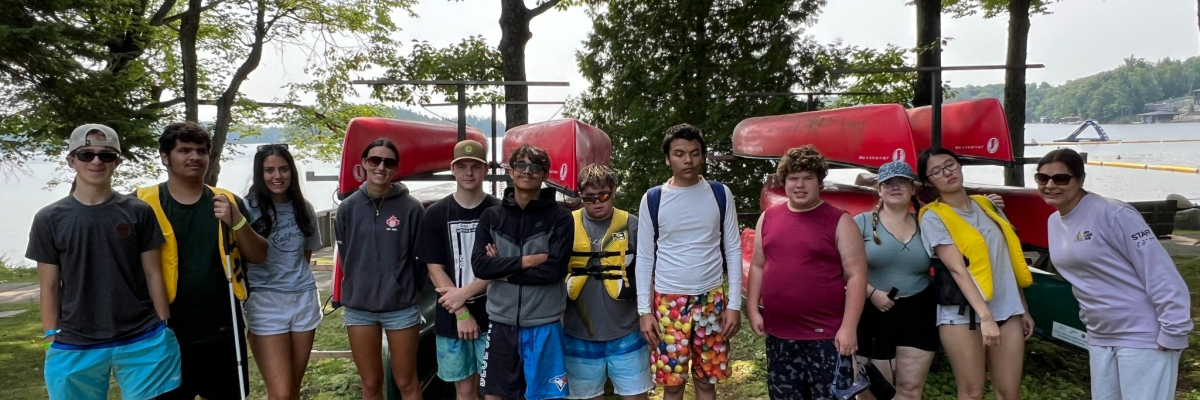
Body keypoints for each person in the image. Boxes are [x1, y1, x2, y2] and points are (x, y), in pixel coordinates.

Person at [28, 124, 182, 400]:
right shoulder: (49, 219)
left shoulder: (139, 211)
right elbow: (49, 286)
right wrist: (51, 335)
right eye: (86, 154)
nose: (96, 161)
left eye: (106, 155)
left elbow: (153, 273)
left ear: (117, 162)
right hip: (74, 341)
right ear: (72, 160)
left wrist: (164, 324)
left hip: (143, 336)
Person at [1037, 148, 1192, 400]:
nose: (1050, 185)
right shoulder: (1055, 222)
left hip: (1143, 333)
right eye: (1043, 179)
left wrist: (1174, 329)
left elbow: (1158, 270)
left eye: (1061, 179)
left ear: (1080, 180)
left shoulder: (1114, 213)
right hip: (1100, 334)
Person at [138, 121, 269, 400]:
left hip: (222, 330)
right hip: (164, 331)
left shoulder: (228, 201)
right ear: (165, 157)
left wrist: (238, 221)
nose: (194, 157)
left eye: (201, 150)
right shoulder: (141, 204)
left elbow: (258, 255)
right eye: (184, 150)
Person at [745, 145, 868, 400]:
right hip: (779, 335)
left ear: (819, 182)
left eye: (807, 178)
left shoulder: (839, 221)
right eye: (793, 178)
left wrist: (849, 327)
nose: (800, 185)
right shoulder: (768, 218)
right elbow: (757, 264)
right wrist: (753, 309)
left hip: (826, 337)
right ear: (784, 182)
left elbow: (856, 275)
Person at [916, 147, 1033, 400]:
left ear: (959, 165)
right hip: (962, 314)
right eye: (936, 171)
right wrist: (986, 317)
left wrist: (1022, 307)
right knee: (971, 392)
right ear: (928, 182)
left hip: (1007, 309)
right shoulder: (933, 217)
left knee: (1009, 392)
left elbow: (1008, 260)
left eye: (950, 165)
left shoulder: (987, 204)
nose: (947, 173)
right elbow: (958, 269)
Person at [636, 123, 742, 400]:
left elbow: (733, 248)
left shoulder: (720, 194)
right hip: (668, 303)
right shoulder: (653, 199)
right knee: (672, 384)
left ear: (703, 156)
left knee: (708, 381)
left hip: (712, 301)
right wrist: (644, 311)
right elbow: (645, 257)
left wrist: (734, 305)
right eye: (680, 153)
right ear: (667, 158)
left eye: (694, 153)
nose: (688, 160)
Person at [472, 144, 574, 400]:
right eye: (521, 165)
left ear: (545, 174)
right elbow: (481, 266)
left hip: (545, 323)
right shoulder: (491, 216)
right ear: (511, 171)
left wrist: (502, 270)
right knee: (495, 396)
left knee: (547, 396)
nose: (528, 171)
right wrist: (527, 261)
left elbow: (553, 271)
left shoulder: (560, 218)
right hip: (501, 322)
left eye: (536, 166)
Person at [334, 138, 426, 400]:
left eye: (388, 162)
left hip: (400, 307)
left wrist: (402, 287)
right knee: (371, 383)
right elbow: (346, 254)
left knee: (406, 381)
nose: (381, 167)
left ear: (396, 168)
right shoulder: (348, 208)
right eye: (375, 160)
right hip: (359, 308)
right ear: (364, 163)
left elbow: (418, 260)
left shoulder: (412, 209)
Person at [415, 140, 501, 400]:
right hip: (452, 317)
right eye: (461, 166)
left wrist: (465, 294)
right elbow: (434, 267)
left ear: (485, 169)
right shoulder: (436, 213)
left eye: (475, 166)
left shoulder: (499, 211)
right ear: (453, 170)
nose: (469, 173)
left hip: (494, 315)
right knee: (464, 389)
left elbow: (502, 267)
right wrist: (462, 311)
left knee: (495, 390)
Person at [562, 164, 653, 400]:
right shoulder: (565, 225)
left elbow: (650, 272)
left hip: (628, 331)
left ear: (613, 192)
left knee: (635, 396)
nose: (597, 202)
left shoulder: (632, 224)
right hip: (578, 332)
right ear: (581, 196)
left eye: (603, 195)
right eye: (589, 197)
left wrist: (649, 313)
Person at [849, 160, 938, 400]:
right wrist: (870, 292)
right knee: (873, 390)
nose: (895, 187)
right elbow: (841, 268)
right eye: (888, 183)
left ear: (912, 189)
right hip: (872, 312)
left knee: (910, 390)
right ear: (879, 189)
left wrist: (990, 204)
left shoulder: (927, 222)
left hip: (918, 311)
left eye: (901, 182)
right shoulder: (862, 222)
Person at [243, 143, 324, 400]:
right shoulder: (246, 208)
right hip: (265, 301)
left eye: (283, 169)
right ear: (260, 173)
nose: (277, 176)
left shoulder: (304, 208)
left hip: (303, 299)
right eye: (269, 170)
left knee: (292, 390)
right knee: (279, 393)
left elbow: (305, 256)